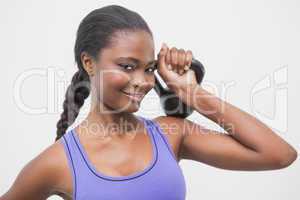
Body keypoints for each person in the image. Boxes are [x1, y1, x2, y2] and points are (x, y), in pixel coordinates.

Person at [1, 4, 297, 200]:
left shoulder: (169, 134)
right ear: (89, 63)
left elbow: (279, 155)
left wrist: (192, 92)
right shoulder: (56, 162)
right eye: (127, 66)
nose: (143, 81)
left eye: (149, 68)